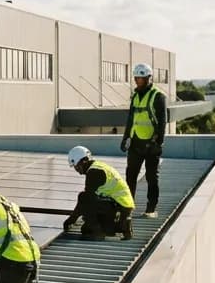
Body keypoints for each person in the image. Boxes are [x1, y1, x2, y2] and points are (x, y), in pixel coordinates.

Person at [121, 63, 167, 218]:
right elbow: (130, 119)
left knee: (152, 178)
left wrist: (158, 142)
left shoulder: (158, 96)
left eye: (141, 78)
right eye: (136, 78)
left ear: (148, 78)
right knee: (130, 176)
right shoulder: (134, 96)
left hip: (152, 145)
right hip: (135, 143)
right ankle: (128, 207)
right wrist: (125, 137)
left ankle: (151, 209)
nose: (138, 81)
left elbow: (162, 122)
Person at [63, 146, 134, 241]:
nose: (77, 171)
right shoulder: (98, 166)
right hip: (121, 206)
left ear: (82, 162)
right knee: (86, 229)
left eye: (76, 167)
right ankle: (121, 225)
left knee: (83, 197)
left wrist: (70, 220)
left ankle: (99, 231)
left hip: (120, 206)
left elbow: (85, 201)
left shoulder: (94, 173)